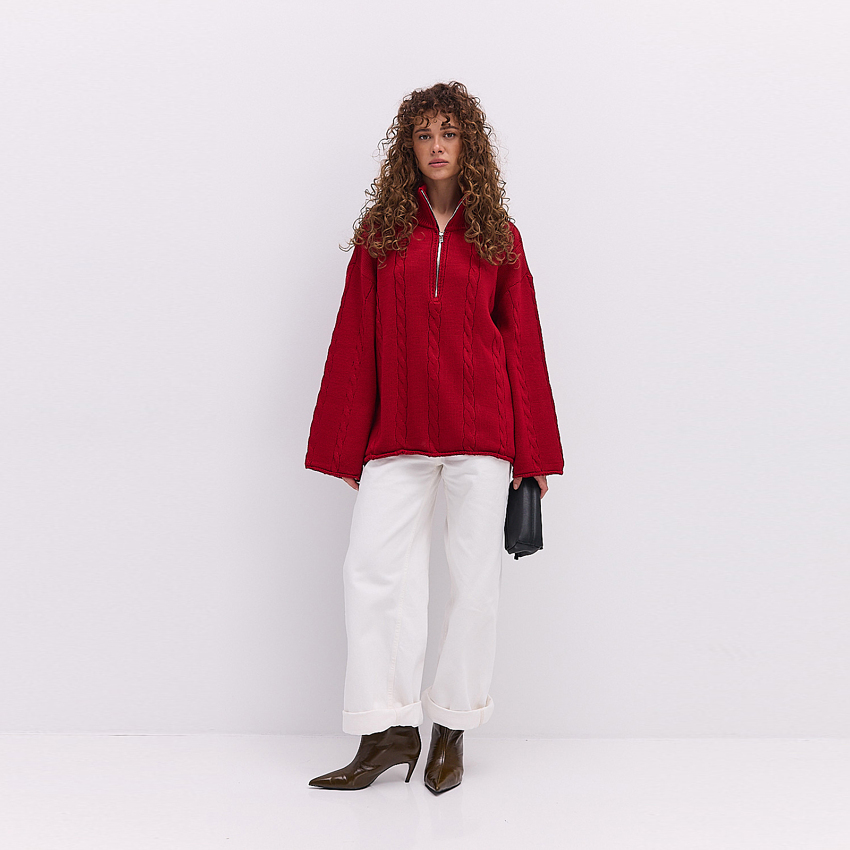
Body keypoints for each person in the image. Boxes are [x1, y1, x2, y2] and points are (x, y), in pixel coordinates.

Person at [304, 81, 564, 793]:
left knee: (475, 584)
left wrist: (534, 454)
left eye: (449, 132)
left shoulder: (498, 235)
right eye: (424, 134)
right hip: (399, 436)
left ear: (467, 144)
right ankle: (389, 728)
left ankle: (451, 726)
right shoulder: (382, 235)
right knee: (372, 572)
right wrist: (348, 442)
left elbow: (523, 344)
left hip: (484, 434)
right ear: (409, 148)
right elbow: (356, 338)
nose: (437, 145)